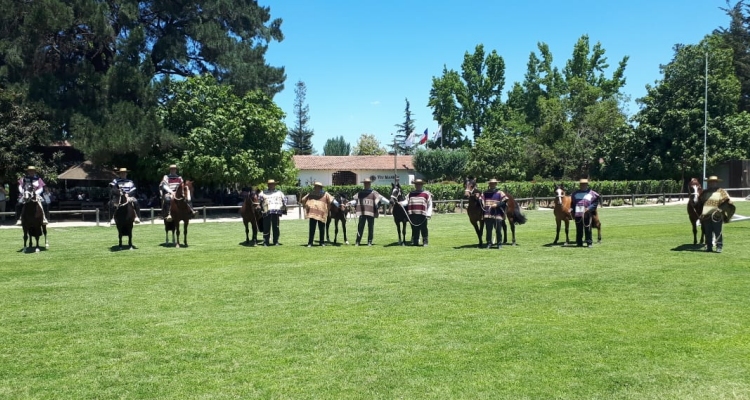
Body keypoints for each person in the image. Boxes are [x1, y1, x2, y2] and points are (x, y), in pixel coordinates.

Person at [698, 175, 734, 253]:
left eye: (714, 182)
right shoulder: (705, 193)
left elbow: (727, 202)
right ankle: (709, 246)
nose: (712, 184)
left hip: (717, 216)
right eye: (710, 182)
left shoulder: (722, 191)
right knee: (708, 232)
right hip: (706, 216)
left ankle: (719, 246)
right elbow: (700, 203)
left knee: (718, 232)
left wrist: (720, 210)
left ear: (716, 183)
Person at [350, 178, 389, 246]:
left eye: (367, 183)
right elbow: (355, 200)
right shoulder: (360, 193)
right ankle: (357, 241)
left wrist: (389, 202)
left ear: (370, 184)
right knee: (360, 227)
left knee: (370, 227)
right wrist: (349, 203)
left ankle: (369, 241)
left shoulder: (374, 193)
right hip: (362, 212)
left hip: (371, 212)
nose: (366, 184)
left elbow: (381, 198)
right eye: (365, 183)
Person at [300, 182, 339, 247]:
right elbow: (303, 199)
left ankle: (320, 242)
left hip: (321, 213)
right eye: (315, 186)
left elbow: (332, 200)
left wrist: (334, 207)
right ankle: (311, 243)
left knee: (321, 228)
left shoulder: (325, 194)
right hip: (313, 213)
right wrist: (306, 206)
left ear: (319, 187)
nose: (315, 187)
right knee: (312, 228)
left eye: (316, 186)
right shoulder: (311, 194)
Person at [570, 178, 600, 248]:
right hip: (578, 214)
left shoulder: (592, 193)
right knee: (579, 229)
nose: (583, 185)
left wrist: (589, 208)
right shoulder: (575, 194)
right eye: (581, 184)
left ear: (587, 185)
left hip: (587, 214)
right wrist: (571, 209)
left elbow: (595, 203)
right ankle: (579, 242)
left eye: (584, 184)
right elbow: (572, 204)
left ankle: (589, 243)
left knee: (588, 229)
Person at [258, 179, 287, 246]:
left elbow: (285, 199)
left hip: (276, 212)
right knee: (266, 227)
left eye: (272, 184)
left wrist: (284, 205)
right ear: (268, 185)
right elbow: (259, 200)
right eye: (270, 184)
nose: (271, 185)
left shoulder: (279, 192)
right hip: (266, 212)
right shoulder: (263, 192)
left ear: (274, 185)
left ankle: (276, 241)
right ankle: (266, 241)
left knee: (276, 227)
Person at [482, 178, 508, 249]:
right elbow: (481, 200)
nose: (492, 185)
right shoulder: (485, 193)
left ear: (496, 184)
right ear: (489, 184)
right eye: (491, 183)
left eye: (493, 183)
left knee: (498, 230)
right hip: (488, 214)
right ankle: (489, 243)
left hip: (497, 214)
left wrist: (497, 205)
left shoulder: (500, 193)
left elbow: (504, 201)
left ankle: (499, 243)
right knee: (488, 230)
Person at [406, 179, 433, 246]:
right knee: (414, 228)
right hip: (413, 214)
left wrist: (429, 213)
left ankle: (425, 241)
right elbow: (406, 202)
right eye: (416, 184)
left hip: (422, 214)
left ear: (422, 185)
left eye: (419, 184)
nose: (418, 186)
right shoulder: (411, 194)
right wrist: (399, 203)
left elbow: (430, 204)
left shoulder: (426, 194)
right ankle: (415, 241)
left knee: (423, 228)